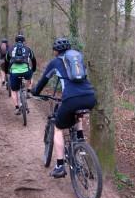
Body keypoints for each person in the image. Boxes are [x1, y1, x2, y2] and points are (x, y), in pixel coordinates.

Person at [32, 37, 96, 178]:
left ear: (56, 51)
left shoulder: (55, 62)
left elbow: (43, 80)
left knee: (58, 128)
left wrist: (35, 92)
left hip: (71, 99)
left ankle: (60, 166)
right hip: (90, 96)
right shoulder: (78, 60)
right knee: (77, 113)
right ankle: (80, 139)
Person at [6, 34, 37, 115]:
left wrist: (7, 70)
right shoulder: (28, 49)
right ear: (24, 41)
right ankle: (28, 91)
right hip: (26, 72)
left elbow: (6, 61)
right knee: (31, 75)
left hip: (14, 73)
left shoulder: (10, 49)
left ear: (15, 41)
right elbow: (33, 60)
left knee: (13, 90)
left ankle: (17, 107)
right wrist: (33, 69)